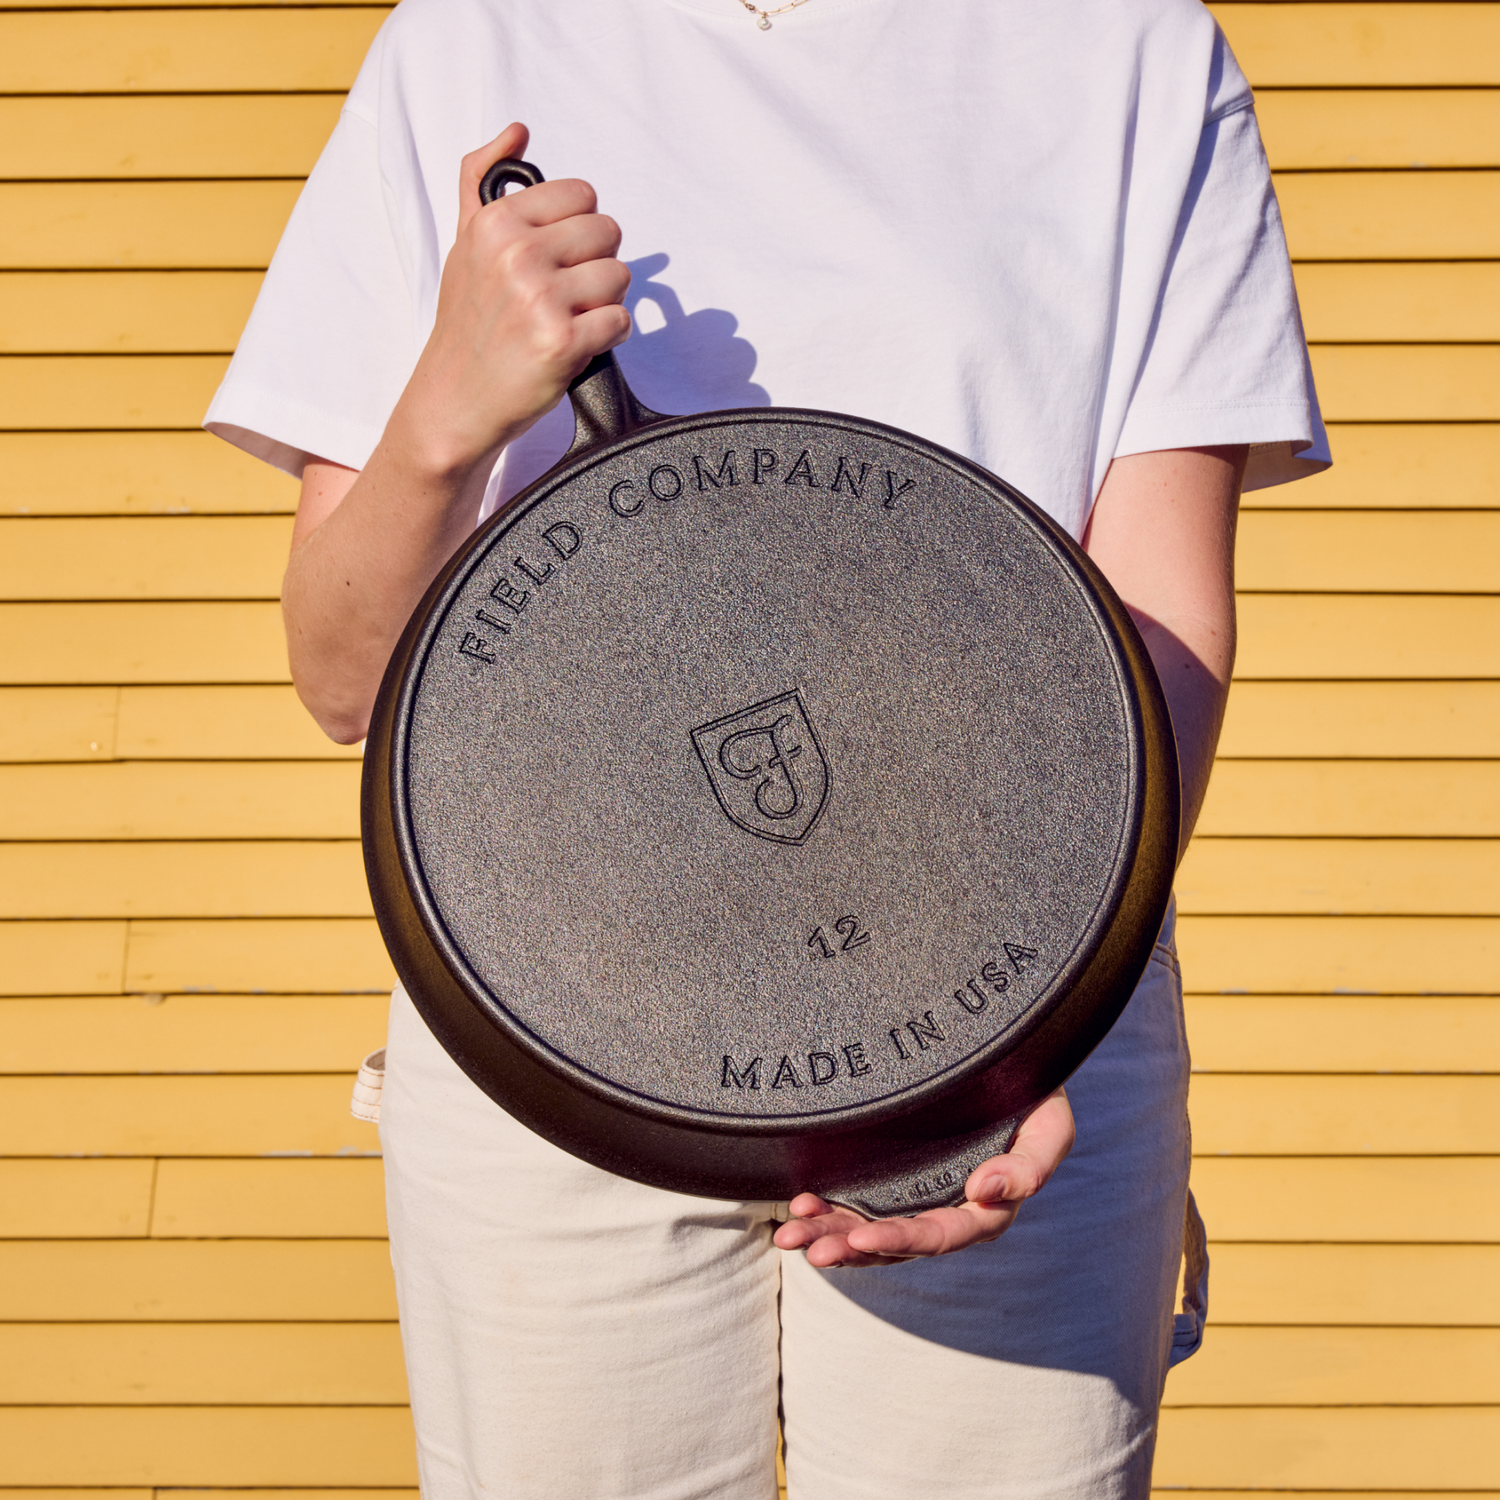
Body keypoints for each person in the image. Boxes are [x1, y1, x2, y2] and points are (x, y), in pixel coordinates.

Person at [206, 0, 1328, 1495]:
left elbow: (1155, 623)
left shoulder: (1128, 47)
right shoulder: (469, 39)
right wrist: (444, 415)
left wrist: (1024, 1032)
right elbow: (347, 679)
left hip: (1011, 1023)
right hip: (555, 1021)